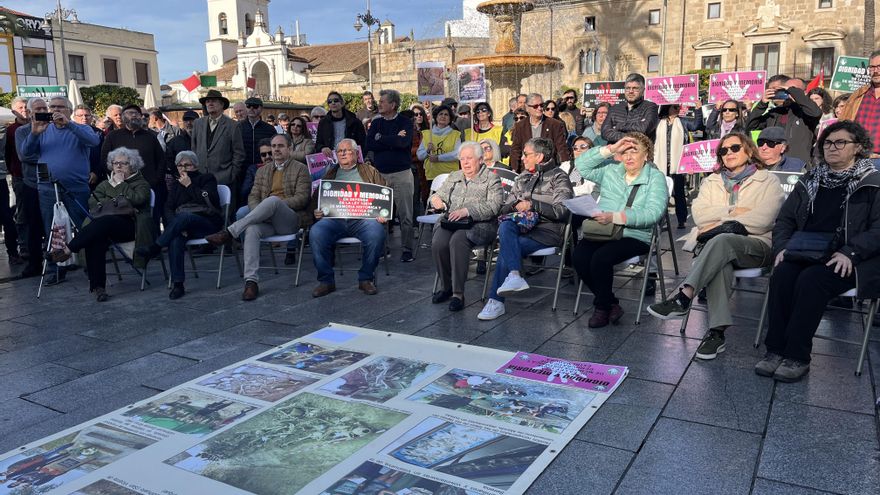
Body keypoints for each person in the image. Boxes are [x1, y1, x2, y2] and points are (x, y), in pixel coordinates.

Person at [757, 120, 880, 382]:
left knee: (811, 281)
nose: (832, 147)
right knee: (782, 274)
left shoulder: (872, 182)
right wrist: (781, 247)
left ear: (858, 147)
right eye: (827, 143)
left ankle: (797, 356)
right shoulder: (811, 179)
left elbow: (878, 230)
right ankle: (775, 350)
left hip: (850, 258)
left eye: (840, 142)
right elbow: (785, 219)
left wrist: (851, 252)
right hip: (805, 249)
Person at [648, 132, 784, 359]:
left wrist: (720, 223)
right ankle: (716, 333)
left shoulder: (768, 180)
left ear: (749, 150)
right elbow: (700, 216)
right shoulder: (711, 181)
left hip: (757, 246)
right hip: (718, 248)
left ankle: (684, 296)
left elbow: (764, 220)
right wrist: (733, 213)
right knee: (721, 258)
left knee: (720, 241)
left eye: (735, 148)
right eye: (723, 150)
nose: (728, 153)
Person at [571, 133, 667, 327]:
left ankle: (602, 307)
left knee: (600, 259)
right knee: (579, 257)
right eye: (625, 152)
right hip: (604, 230)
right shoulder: (611, 170)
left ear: (646, 154)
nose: (629, 157)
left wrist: (616, 217)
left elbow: (653, 213)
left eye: (634, 151)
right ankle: (611, 303)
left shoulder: (655, 178)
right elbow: (581, 165)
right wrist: (611, 149)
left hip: (635, 234)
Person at [205, 133, 311, 301]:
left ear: (289, 149)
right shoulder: (263, 171)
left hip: (290, 219)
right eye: (274, 146)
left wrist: (275, 206)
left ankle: (229, 232)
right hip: (266, 218)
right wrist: (262, 211)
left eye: (280, 146)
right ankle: (251, 282)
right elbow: (253, 196)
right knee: (252, 229)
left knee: (273, 200)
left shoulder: (301, 169)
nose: (276, 149)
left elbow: (302, 198)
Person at [478, 137, 573, 321]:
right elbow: (504, 208)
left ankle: (496, 301)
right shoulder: (523, 177)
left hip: (548, 231)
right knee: (506, 225)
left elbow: (562, 211)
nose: (522, 158)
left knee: (508, 246)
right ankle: (514, 274)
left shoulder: (559, 177)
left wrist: (533, 205)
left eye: (526, 154)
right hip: (522, 227)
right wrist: (515, 205)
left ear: (539, 156)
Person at [49, 147, 152, 302]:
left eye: (123, 163)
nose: (118, 166)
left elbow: (138, 200)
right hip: (106, 227)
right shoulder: (105, 184)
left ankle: (68, 248)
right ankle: (99, 288)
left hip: (132, 226)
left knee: (104, 222)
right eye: (115, 163)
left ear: (132, 165)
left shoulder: (141, 183)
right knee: (95, 239)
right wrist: (119, 201)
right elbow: (93, 203)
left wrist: (120, 186)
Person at [22, 96, 100, 285]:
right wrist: (33, 133)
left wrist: (69, 125)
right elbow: (26, 153)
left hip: (76, 187)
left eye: (60, 107)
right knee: (53, 230)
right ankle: (56, 269)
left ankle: (91, 266)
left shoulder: (81, 128)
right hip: (48, 188)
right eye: (52, 106)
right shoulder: (43, 129)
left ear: (69, 110)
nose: (55, 109)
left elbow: (93, 142)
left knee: (83, 227)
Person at [137, 151, 223, 300]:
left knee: (185, 216)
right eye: (180, 165)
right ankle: (178, 284)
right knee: (176, 238)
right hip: (183, 226)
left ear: (195, 165)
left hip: (206, 223)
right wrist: (176, 226)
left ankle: (155, 247)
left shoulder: (207, 178)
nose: (183, 169)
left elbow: (211, 201)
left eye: (187, 165)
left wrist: (189, 185)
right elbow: (168, 208)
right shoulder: (177, 185)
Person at [310, 139, 388, 298]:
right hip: (334, 219)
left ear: (356, 153)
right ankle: (326, 281)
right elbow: (316, 199)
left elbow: (385, 193)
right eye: (340, 151)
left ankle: (366, 278)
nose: (343, 154)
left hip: (363, 219)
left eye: (347, 150)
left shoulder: (369, 171)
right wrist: (316, 211)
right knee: (316, 232)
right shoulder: (330, 172)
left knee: (376, 233)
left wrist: (383, 213)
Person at [430, 142, 503, 311]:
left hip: (480, 224)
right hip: (452, 221)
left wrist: (467, 211)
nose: (465, 162)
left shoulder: (491, 178)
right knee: (438, 243)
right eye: (462, 159)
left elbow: (495, 206)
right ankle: (446, 287)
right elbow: (437, 195)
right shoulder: (454, 176)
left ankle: (458, 294)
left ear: (480, 159)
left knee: (457, 241)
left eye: (469, 158)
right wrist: (435, 200)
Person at [364, 89, 415, 262]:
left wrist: (382, 138)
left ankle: (407, 248)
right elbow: (369, 144)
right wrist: (392, 138)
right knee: (379, 215)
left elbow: (403, 143)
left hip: (401, 174)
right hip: (380, 174)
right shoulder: (376, 123)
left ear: (393, 105)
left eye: (383, 101)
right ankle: (381, 247)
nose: (379, 104)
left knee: (405, 214)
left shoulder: (405, 122)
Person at [101, 104, 166, 225]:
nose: (134, 115)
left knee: (151, 221)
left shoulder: (151, 137)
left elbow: (161, 160)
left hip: (149, 186)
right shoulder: (113, 137)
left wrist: (156, 180)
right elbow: (105, 160)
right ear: (123, 117)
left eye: (137, 113)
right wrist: (117, 179)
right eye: (130, 113)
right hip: (122, 187)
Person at [746, 77, 822, 163]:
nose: (788, 92)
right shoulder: (776, 112)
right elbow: (751, 126)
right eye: (785, 89)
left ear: (804, 93)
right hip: (773, 163)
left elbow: (816, 113)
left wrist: (794, 92)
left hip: (798, 165)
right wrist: (762, 104)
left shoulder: (807, 113)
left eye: (793, 89)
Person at [13, 98, 48, 278]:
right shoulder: (22, 131)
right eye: (37, 108)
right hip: (32, 183)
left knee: (54, 224)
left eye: (44, 107)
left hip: (52, 184)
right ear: (29, 112)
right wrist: (50, 159)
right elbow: (24, 156)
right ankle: (35, 263)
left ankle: (60, 260)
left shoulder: (55, 128)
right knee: (33, 225)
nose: (42, 110)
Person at [655, 103, 705, 228]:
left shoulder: (682, 122)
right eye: (676, 107)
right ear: (668, 108)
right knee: (660, 194)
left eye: (679, 107)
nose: (679, 109)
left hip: (677, 164)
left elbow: (696, 125)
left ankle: (681, 220)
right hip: (660, 163)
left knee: (679, 193)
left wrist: (698, 109)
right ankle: (660, 219)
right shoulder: (658, 122)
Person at [191, 90, 246, 190]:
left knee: (224, 205)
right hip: (201, 178)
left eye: (213, 101)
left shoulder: (233, 126)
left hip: (224, 179)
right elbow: (194, 148)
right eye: (207, 101)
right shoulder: (198, 123)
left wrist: (231, 174)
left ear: (222, 105)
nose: (210, 103)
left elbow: (239, 153)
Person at [509, 93, 570, 172]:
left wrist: (565, 167)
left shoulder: (555, 125)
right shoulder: (520, 126)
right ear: (527, 108)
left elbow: (561, 148)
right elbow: (516, 150)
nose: (540, 108)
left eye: (542, 105)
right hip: (527, 170)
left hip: (548, 171)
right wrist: (514, 170)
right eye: (535, 106)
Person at [838, 50, 880, 164]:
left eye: (879, 66)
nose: (875, 71)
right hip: (856, 158)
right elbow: (843, 125)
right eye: (872, 67)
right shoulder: (858, 95)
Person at [602, 73, 660, 143]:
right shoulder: (614, 108)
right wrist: (627, 137)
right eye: (628, 88)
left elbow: (644, 129)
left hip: (639, 152)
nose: (631, 91)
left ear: (643, 91)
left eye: (635, 88)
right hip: (617, 152)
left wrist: (619, 126)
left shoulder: (650, 107)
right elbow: (605, 133)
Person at [5, 96, 28, 265]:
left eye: (26, 106)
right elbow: (7, 155)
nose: (24, 109)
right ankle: (23, 246)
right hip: (19, 176)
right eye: (20, 107)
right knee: (22, 212)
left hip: (38, 176)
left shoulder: (38, 126)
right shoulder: (10, 130)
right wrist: (13, 171)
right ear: (13, 110)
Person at [238, 97, 277, 186]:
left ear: (261, 108)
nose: (251, 108)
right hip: (242, 170)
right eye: (248, 106)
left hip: (264, 169)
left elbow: (274, 149)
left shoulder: (269, 129)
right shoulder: (238, 127)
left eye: (255, 106)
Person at [417, 105, 462, 180]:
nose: (443, 116)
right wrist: (427, 150)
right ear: (436, 117)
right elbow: (420, 156)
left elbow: (457, 154)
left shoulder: (455, 134)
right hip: (432, 176)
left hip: (451, 175)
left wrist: (438, 158)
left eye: (446, 114)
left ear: (450, 118)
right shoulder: (427, 134)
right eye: (440, 114)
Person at [315, 91, 366, 157]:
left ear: (342, 103)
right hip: (331, 159)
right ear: (328, 105)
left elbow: (363, 143)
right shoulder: (323, 123)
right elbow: (318, 143)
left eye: (336, 100)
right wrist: (322, 148)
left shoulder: (355, 122)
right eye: (330, 102)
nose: (333, 103)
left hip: (350, 158)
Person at [72, 104, 106, 190]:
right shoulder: (69, 132)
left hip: (94, 177)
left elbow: (104, 155)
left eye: (87, 115)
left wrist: (96, 173)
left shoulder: (99, 133)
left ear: (91, 117)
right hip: (74, 177)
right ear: (74, 117)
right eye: (80, 115)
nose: (84, 118)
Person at [408, 105, 430, 207]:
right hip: (415, 166)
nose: (419, 116)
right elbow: (409, 150)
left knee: (427, 194)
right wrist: (422, 152)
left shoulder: (429, 130)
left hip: (428, 166)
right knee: (415, 195)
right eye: (416, 114)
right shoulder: (410, 132)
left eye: (421, 114)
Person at [164, 110, 199, 175]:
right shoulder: (175, 141)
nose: (188, 123)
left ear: (199, 122)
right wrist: (178, 174)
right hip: (183, 178)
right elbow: (169, 160)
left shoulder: (205, 139)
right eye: (186, 121)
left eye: (192, 120)